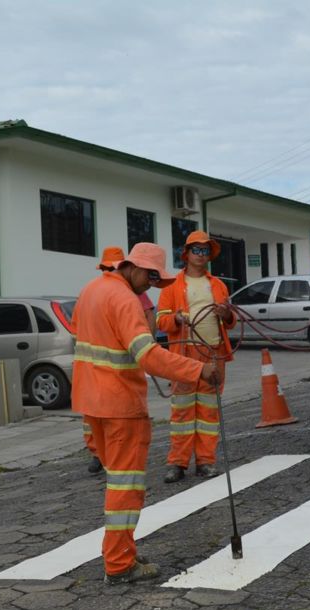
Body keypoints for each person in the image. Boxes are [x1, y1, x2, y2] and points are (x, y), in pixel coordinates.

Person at [72, 242, 218, 584]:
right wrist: (197, 370)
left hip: (92, 403)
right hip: (119, 405)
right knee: (126, 487)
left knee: (116, 482)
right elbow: (148, 355)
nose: (151, 285)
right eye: (150, 277)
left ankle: (121, 551)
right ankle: (120, 564)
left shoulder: (92, 290)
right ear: (133, 267)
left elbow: (83, 332)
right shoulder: (124, 299)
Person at [155, 230, 236, 483]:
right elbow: (161, 321)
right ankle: (177, 463)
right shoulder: (172, 286)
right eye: (196, 250)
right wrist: (176, 318)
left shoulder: (219, 285)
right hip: (184, 357)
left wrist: (226, 315)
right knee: (182, 413)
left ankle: (205, 462)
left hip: (213, 355)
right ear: (187, 254)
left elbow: (231, 321)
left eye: (205, 251)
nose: (201, 255)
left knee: (209, 414)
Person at [81, 246, 157, 476]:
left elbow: (149, 319)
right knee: (122, 474)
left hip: (99, 384)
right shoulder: (113, 294)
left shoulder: (94, 291)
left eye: (111, 268)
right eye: (106, 268)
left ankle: (102, 456)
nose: (108, 271)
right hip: (111, 389)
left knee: (118, 468)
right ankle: (97, 454)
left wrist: (146, 345)